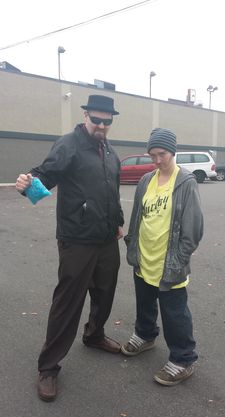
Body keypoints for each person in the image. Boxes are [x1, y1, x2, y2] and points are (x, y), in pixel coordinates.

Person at [16, 94, 124, 401]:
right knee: (68, 302)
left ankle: (94, 335)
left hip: (106, 238)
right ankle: (48, 368)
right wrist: (29, 182)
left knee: (105, 291)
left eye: (107, 121)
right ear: (86, 116)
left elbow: (112, 189)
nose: (102, 125)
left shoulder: (108, 149)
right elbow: (45, 174)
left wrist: (117, 221)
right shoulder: (69, 144)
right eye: (97, 119)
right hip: (77, 239)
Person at [121, 128, 203, 386]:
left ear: (173, 152)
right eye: (152, 154)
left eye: (162, 154)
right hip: (144, 258)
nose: (157, 160)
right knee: (144, 303)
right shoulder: (147, 180)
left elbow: (193, 229)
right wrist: (132, 244)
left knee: (175, 313)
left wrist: (179, 259)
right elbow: (137, 216)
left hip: (170, 263)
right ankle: (145, 335)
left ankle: (183, 359)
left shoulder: (185, 182)